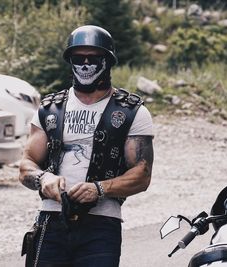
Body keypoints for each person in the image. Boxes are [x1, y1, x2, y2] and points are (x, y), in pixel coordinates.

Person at [19, 25, 154, 267]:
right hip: (51, 219)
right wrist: (44, 179)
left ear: (108, 61)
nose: (84, 64)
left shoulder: (132, 112)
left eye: (93, 58)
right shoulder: (50, 109)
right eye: (78, 58)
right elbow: (26, 166)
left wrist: (99, 189)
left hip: (102, 225)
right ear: (69, 61)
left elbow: (142, 175)